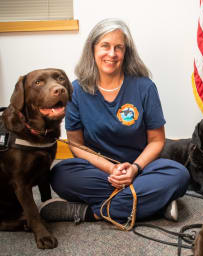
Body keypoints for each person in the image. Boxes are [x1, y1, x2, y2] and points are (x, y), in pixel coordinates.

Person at [39, 18, 190, 224]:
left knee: (179, 174)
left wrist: (134, 169)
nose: (112, 54)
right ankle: (154, 203)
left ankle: (90, 213)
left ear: (126, 52)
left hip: (141, 170)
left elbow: (156, 140)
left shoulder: (144, 87)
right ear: (92, 49)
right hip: (99, 171)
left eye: (119, 47)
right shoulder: (76, 90)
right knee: (59, 174)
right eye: (105, 46)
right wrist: (111, 170)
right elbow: (76, 145)